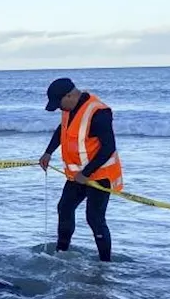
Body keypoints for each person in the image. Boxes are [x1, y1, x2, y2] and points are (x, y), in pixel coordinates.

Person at [38, 76, 123, 262]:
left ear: (69, 95)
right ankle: (62, 253)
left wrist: (86, 173)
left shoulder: (98, 112)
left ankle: (105, 263)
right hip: (77, 175)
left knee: (94, 219)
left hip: (100, 174)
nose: (60, 109)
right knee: (64, 208)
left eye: (59, 104)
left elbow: (108, 147)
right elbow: (63, 129)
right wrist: (48, 152)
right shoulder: (69, 108)